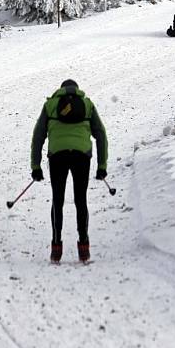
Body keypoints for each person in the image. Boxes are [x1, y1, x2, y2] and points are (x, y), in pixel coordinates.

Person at [30, 79, 108, 263]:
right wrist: (102, 165)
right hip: (81, 156)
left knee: (58, 200)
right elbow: (101, 134)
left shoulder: (50, 105)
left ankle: (56, 248)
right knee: (81, 200)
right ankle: (84, 248)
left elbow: (38, 135)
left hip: (57, 156)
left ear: (60, 89)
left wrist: (36, 165)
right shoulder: (87, 104)